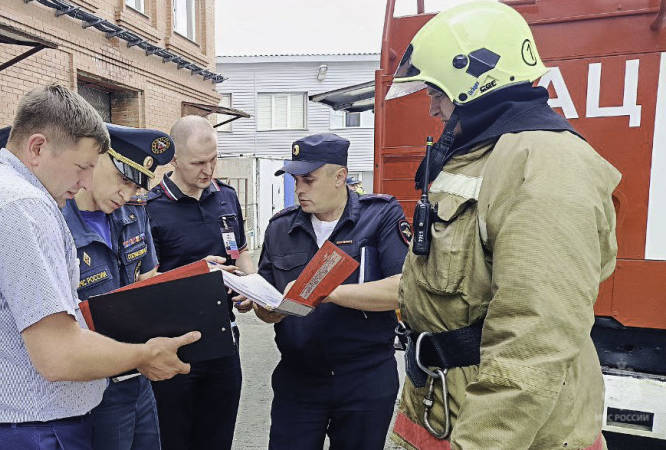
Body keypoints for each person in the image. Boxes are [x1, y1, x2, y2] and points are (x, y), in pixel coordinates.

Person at [385, 2, 621, 449]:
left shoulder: (546, 166)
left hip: (497, 430)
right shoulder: (481, 153)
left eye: (436, 91)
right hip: (439, 406)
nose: (432, 107)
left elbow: (534, 338)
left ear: (473, 82)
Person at [0, 84, 199, 450]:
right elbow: (58, 354)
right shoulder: (21, 206)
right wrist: (144, 355)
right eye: (82, 166)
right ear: (38, 147)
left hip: (7, 423)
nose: (87, 181)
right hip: (32, 430)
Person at [0, 123, 174, 450]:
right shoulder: (53, 219)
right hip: (94, 383)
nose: (127, 194)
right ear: (97, 158)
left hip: (139, 376)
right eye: (123, 180)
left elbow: (147, 280)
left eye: (136, 188)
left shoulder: (133, 213)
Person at [253, 133, 410, 450]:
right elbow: (267, 303)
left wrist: (328, 292)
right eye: (295, 180)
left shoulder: (379, 216)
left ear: (340, 176)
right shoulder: (280, 228)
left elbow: (403, 290)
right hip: (299, 379)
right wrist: (264, 306)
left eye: (308, 180)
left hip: (363, 378)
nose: (298, 189)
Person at [144, 115, 254, 450]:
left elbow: (241, 252)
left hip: (222, 343)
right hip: (174, 344)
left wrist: (250, 286)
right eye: (198, 163)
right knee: (175, 440)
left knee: (217, 438)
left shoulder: (226, 197)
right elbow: (145, 282)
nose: (208, 170)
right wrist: (197, 275)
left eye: (213, 159)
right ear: (174, 159)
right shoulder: (151, 208)